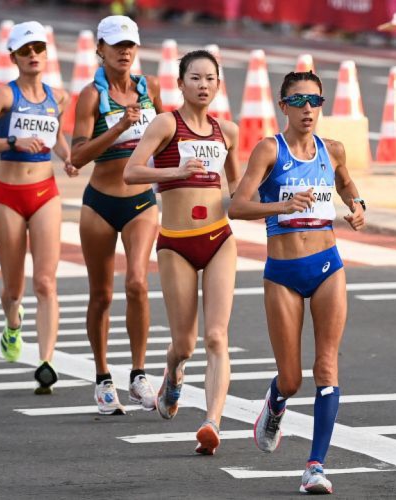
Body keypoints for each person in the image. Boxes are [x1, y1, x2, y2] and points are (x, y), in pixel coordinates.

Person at [228, 71, 366, 494]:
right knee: (291, 378)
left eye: (315, 101)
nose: (308, 109)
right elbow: (236, 205)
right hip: (284, 273)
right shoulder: (270, 150)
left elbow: (345, 183)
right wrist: (281, 204)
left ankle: (315, 466)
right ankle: (276, 402)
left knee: (326, 366)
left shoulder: (334, 149)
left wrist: (358, 206)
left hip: (327, 265)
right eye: (299, 100)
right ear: (283, 105)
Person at [124, 49, 241, 455]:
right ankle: (173, 372)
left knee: (216, 336)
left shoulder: (228, 132)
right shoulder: (164, 124)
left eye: (210, 78)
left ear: (219, 84)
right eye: (195, 78)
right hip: (175, 242)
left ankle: (212, 422)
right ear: (181, 83)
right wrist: (173, 172)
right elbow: (131, 171)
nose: (203, 85)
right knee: (186, 343)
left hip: (218, 238)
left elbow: (240, 191)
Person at [0, 21, 77, 395]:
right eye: (25, 51)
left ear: (46, 54)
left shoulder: (58, 97)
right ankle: (13, 325)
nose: (33, 56)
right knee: (13, 288)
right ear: (13, 57)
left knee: (45, 281)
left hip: (45, 192)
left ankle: (45, 361)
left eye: (38, 49)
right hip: (8, 196)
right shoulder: (3, 96)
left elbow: (56, 133)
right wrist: (11, 139)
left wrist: (67, 157)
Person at [70, 15, 163, 415]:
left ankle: (139, 374)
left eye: (130, 45)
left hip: (141, 201)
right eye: (116, 45)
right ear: (100, 50)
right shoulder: (92, 96)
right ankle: (103, 377)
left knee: (138, 284)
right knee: (102, 294)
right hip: (100, 202)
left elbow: (168, 135)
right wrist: (118, 128)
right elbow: (77, 155)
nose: (124, 52)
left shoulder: (149, 89)